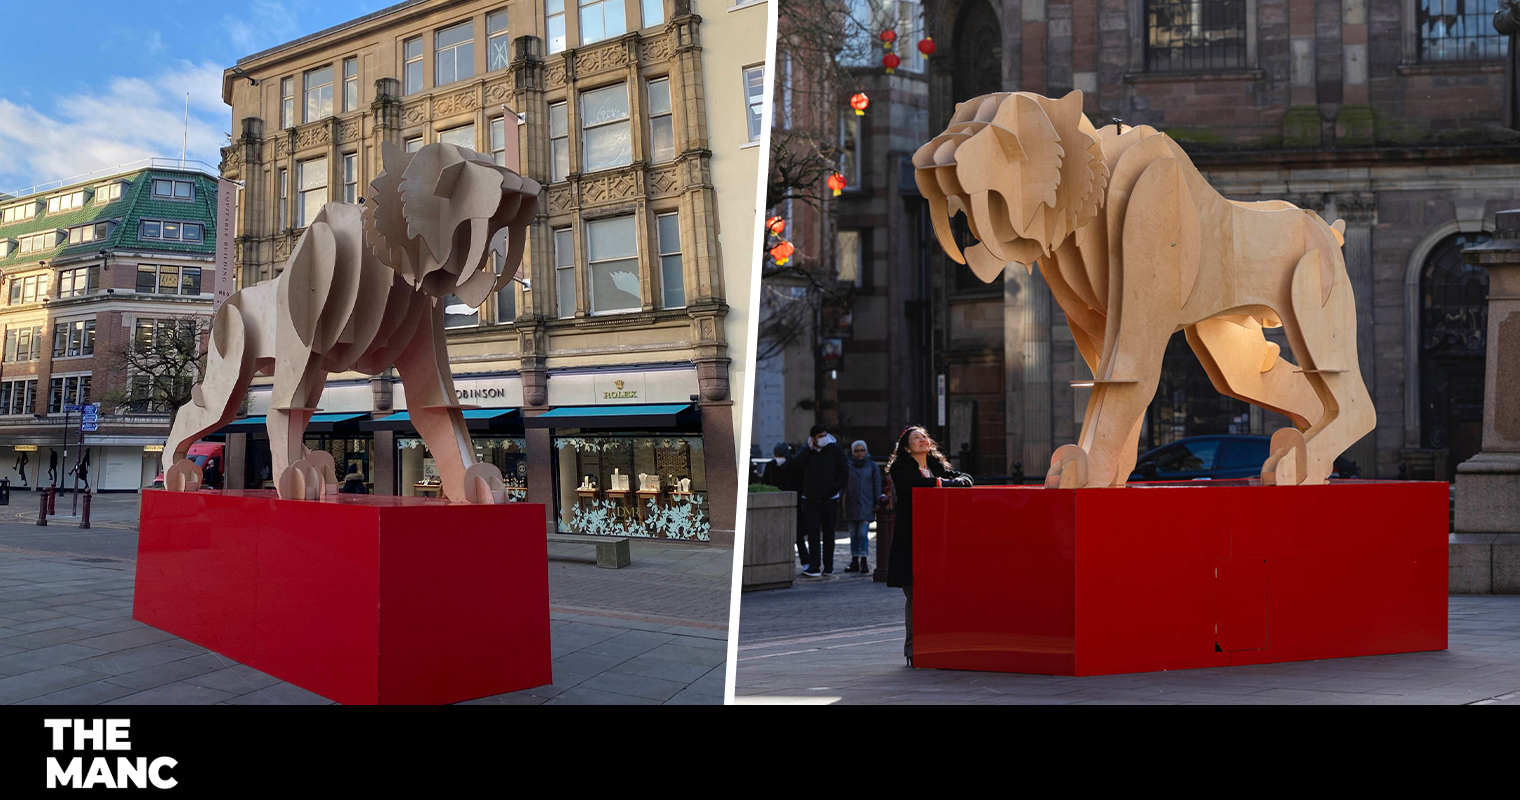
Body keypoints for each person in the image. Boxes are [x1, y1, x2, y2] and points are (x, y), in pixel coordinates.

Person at [886, 426, 972, 666]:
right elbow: (913, 485)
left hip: (938, 540)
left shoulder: (936, 466)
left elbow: (963, 477)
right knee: (916, 594)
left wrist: (960, 480)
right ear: (906, 448)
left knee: (939, 593)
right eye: (916, 438)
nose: (922, 440)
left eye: (924, 437)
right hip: (912, 539)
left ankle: (941, 645)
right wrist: (944, 483)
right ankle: (913, 649)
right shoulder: (900, 467)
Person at [792, 424, 848, 577]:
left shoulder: (834, 450)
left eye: (824, 435)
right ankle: (815, 565)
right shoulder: (807, 451)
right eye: (819, 436)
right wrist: (808, 449)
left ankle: (828, 566)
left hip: (830, 498)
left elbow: (843, 470)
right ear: (813, 438)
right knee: (813, 533)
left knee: (829, 533)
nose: (823, 438)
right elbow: (796, 465)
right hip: (810, 499)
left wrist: (834, 489)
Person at [842, 440, 881, 574]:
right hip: (851, 503)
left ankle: (863, 559)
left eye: (862, 450)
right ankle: (854, 559)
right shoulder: (848, 466)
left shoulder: (872, 466)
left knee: (863, 534)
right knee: (853, 534)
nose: (860, 453)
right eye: (857, 451)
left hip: (866, 503)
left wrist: (877, 502)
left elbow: (877, 485)